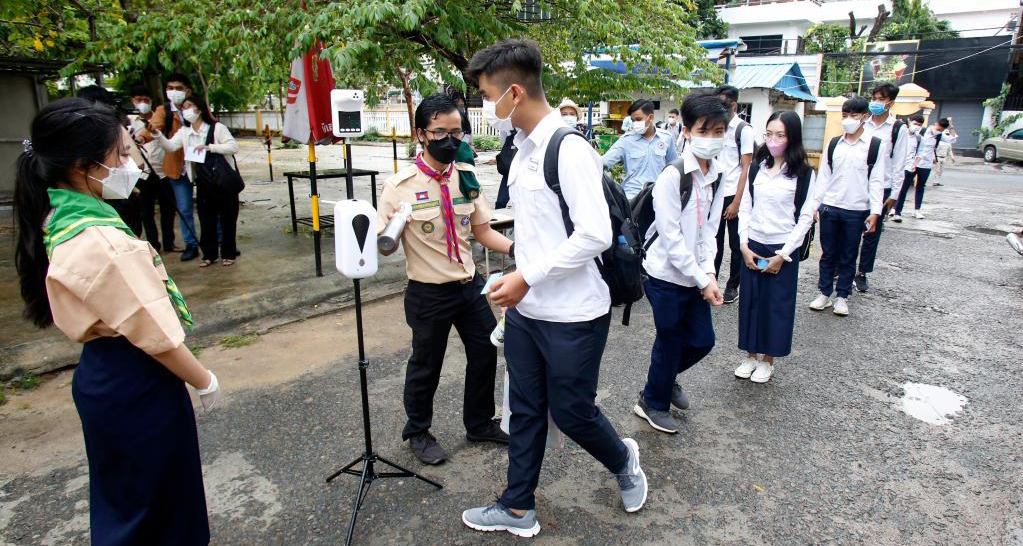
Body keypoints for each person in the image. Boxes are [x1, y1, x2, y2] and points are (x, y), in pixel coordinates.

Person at [462, 39, 648, 537]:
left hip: (574, 314)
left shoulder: (568, 149)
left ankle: (623, 460)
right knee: (524, 410)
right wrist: (514, 267)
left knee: (572, 412)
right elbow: (540, 233)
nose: (485, 107)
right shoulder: (521, 151)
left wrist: (527, 277)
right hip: (527, 311)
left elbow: (594, 234)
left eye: (486, 95)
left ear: (514, 93)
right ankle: (517, 506)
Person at [13, 97, 218, 545]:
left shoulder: (59, 216)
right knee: (160, 507)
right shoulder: (103, 239)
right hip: (138, 380)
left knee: (126, 500)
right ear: (82, 166)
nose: (130, 163)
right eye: (121, 155)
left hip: (103, 375)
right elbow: (155, 336)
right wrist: (204, 380)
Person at [377, 93, 513, 465]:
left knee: (485, 351)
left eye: (457, 132)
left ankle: (480, 422)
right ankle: (417, 431)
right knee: (427, 363)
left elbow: (483, 232)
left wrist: (520, 251)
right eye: (440, 132)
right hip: (427, 292)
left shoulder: (466, 178)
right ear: (422, 134)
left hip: (468, 286)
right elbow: (385, 246)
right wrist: (395, 224)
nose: (450, 140)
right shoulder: (399, 186)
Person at [633, 93, 727, 434]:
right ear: (686, 130)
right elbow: (672, 239)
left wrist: (710, 273)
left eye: (719, 132)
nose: (713, 139)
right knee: (670, 340)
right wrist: (702, 279)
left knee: (703, 341)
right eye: (706, 131)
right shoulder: (672, 177)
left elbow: (710, 231)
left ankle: (664, 378)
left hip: (697, 275)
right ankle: (651, 402)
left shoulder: (718, 175)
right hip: (665, 276)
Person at [735, 111, 816, 384]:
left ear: (791, 137)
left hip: (782, 248)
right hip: (754, 243)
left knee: (776, 306)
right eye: (769, 134)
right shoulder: (757, 168)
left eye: (780, 135)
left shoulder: (803, 174)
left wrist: (783, 254)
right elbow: (746, 206)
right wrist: (743, 244)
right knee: (751, 302)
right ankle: (750, 355)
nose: (773, 140)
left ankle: (768, 360)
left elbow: (805, 217)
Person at [808, 97, 884, 317]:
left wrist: (875, 212)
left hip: (856, 209)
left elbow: (877, 181)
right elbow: (823, 177)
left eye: (853, 115)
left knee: (849, 255)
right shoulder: (834, 144)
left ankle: (842, 296)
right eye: (845, 115)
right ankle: (824, 293)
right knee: (827, 253)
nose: (848, 120)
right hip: (831, 207)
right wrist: (815, 204)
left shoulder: (874, 146)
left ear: (865, 117)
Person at [152, 95, 240, 267]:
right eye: (183, 107)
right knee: (206, 219)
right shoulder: (185, 132)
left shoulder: (216, 128)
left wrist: (209, 147)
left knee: (227, 219)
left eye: (189, 106)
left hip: (222, 181)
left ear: (198, 109)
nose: (186, 110)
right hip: (203, 182)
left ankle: (229, 253)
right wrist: (157, 135)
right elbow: (170, 146)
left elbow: (233, 146)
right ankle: (210, 254)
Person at [854, 82, 909, 293]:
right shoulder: (863, 124)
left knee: (871, 232)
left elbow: (899, 163)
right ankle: (844, 269)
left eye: (881, 99)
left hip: (883, 187)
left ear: (890, 103)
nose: (876, 102)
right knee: (852, 230)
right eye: (874, 98)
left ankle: (862, 272)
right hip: (860, 184)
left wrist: (894, 194)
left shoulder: (897, 129)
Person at [142, 73, 200, 261]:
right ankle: (191, 244)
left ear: (187, 91)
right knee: (184, 208)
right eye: (170, 88)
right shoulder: (164, 111)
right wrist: (145, 136)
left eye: (178, 88)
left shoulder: (196, 109)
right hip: (178, 167)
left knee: (212, 206)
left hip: (201, 166)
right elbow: (154, 129)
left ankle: (219, 242)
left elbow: (213, 127)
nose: (174, 92)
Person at [77, 85, 145, 237]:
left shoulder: (75, 132)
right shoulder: (113, 127)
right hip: (117, 199)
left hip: (86, 205)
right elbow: (138, 162)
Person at [711, 85, 754, 304]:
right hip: (715, 192)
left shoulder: (743, 130)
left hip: (734, 193)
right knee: (713, 241)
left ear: (734, 105)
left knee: (736, 245)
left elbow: (746, 167)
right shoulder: (715, 126)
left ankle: (732, 285)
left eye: (723, 105)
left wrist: (737, 202)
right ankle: (713, 281)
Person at [129, 85, 180, 254]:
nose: (143, 103)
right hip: (142, 175)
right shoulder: (128, 124)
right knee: (146, 212)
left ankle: (169, 243)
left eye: (146, 100)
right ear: (133, 101)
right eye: (139, 100)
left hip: (163, 171)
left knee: (168, 210)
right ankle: (153, 245)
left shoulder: (161, 120)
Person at [602, 99, 678, 199]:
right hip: (632, 198)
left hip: (659, 196)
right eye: (633, 121)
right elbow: (603, 162)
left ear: (650, 118)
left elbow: (674, 168)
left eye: (638, 119)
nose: (635, 124)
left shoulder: (666, 138)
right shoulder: (626, 141)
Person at [894, 117, 956, 220]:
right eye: (938, 128)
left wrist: (951, 126)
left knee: (920, 187)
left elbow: (953, 139)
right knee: (904, 187)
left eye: (941, 130)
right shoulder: (922, 131)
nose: (938, 131)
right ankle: (896, 211)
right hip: (912, 163)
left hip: (926, 165)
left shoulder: (939, 135)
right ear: (935, 124)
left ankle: (917, 210)